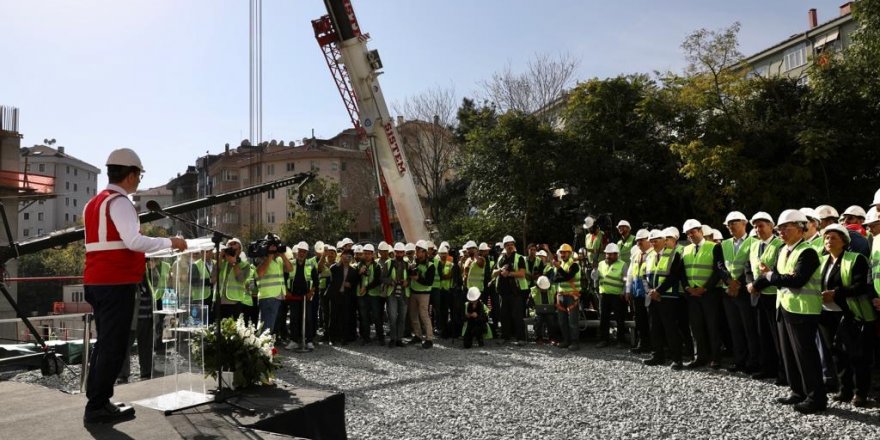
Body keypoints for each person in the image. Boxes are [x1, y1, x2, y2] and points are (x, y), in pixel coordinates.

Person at [83, 148, 187, 424]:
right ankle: (97, 405)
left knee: (105, 344)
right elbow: (134, 241)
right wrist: (170, 243)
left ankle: (98, 398)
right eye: (139, 175)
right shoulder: (120, 203)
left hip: (97, 281)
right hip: (115, 283)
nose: (139, 180)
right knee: (114, 346)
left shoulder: (94, 203)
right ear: (130, 175)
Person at [752, 209, 826, 414]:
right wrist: (769, 278)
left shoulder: (808, 252)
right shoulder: (784, 250)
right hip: (784, 308)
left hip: (803, 311)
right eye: (780, 228)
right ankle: (797, 391)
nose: (781, 231)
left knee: (806, 356)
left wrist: (771, 276)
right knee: (789, 354)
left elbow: (797, 280)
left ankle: (816, 398)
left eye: (786, 227)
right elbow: (778, 276)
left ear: (801, 228)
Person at [818, 224, 874, 407]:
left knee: (856, 355)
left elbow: (861, 286)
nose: (828, 241)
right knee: (836, 353)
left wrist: (835, 293)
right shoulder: (822, 261)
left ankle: (861, 394)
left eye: (833, 237)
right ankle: (845, 390)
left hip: (851, 314)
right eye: (826, 238)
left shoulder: (855, 259)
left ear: (844, 241)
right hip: (827, 315)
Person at [745, 212, 786, 384]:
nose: (757, 229)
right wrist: (749, 283)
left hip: (772, 296)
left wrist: (755, 285)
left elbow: (775, 270)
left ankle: (783, 372)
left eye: (761, 225)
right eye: (755, 226)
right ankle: (767, 368)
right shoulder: (754, 245)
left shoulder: (779, 245)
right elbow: (748, 267)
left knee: (778, 337)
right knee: (764, 335)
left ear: (771, 226)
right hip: (758, 296)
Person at [718, 211, 760, 374]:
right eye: (729, 224)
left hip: (744, 291)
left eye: (734, 222)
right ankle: (740, 360)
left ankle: (753, 360)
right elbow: (720, 265)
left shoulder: (753, 241)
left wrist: (738, 284)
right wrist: (729, 282)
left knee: (749, 328)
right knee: (735, 328)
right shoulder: (724, 243)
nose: (731, 226)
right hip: (729, 291)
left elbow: (751, 265)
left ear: (744, 223)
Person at [680, 219, 724, 370]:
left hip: (710, 294)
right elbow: (682, 272)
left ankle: (715, 358)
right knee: (696, 327)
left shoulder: (714, 247)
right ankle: (700, 357)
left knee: (713, 326)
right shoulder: (685, 250)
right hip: (692, 295)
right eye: (688, 233)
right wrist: (687, 287)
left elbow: (718, 271)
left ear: (701, 231)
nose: (691, 235)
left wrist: (705, 288)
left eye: (693, 231)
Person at [493, 235, 528, 344]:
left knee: (517, 315)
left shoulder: (519, 258)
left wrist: (509, 274)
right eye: (507, 245)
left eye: (511, 245)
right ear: (504, 246)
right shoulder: (500, 258)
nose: (510, 247)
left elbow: (522, 274)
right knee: (504, 315)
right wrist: (500, 270)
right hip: (503, 292)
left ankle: (521, 338)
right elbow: (493, 273)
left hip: (516, 291)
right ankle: (505, 337)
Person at [255, 234, 293, 335]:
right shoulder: (261, 258)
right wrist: (270, 256)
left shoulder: (279, 259)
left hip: (278, 297)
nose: (276, 247)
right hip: (267, 297)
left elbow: (290, 269)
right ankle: (263, 348)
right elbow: (260, 273)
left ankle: (267, 347)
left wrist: (283, 255)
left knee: (271, 328)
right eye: (273, 245)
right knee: (267, 328)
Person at [287, 242, 320, 350]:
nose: (301, 254)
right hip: (294, 296)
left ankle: (309, 341)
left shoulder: (310, 265)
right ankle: (294, 341)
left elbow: (316, 281)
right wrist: (287, 292)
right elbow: (285, 279)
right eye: (300, 251)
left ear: (306, 253)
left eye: (304, 252)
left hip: (307, 296)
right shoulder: (291, 263)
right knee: (294, 318)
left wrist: (311, 292)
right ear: (297, 252)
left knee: (308, 319)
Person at [594, 243, 627, 347]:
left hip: (618, 295)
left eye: (611, 254)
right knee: (604, 318)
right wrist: (594, 272)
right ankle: (604, 340)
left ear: (616, 254)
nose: (608, 256)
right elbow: (596, 277)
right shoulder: (601, 264)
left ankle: (620, 341)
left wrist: (624, 291)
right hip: (604, 295)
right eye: (607, 254)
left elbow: (626, 280)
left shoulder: (622, 264)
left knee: (619, 318)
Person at [212, 238, 253, 321]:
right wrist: (220, 257)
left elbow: (241, 279)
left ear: (240, 251)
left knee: (232, 330)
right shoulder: (222, 263)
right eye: (230, 249)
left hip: (234, 302)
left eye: (235, 249)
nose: (233, 251)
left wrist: (234, 263)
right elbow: (213, 278)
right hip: (219, 301)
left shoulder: (245, 265)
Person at [625, 229, 652, 354]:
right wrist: (628, 290)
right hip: (637, 292)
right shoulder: (636, 255)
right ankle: (643, 344)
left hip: (649, 292)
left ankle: (654, 345)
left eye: (641, 240)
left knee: (651, 320)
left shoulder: (653, 254)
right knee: (640, 320)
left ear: (648, 240)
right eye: (637, 241)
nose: (638, 243)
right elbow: (630, 274)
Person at [553, 244, 581, 351]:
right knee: (562, 320)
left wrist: (560, 271)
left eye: (565, 252)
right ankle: (566, 340)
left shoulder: (574, 265)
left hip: (572, 296)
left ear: (570, 253)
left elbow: (569, 276)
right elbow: (555, 279)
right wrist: (562, 273)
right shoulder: (561, 265)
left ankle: (575, 342)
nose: (562, 254)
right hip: (561, 296)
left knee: (573, 320)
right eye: (561, 252)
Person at [409, 240, 436, 348]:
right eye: (416, 250)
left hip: (424, 294)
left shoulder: (431, 265)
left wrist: (418, 278)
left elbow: (429, 282)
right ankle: (418, 335)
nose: (416, 252)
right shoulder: (414, 263)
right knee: (413, 315)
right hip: (413, 292)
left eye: (418, 250)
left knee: (424, 315)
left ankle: (429, 339)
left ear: (424, 252)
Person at [327, 249, 358, 345]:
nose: (346, 258)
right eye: (345, 255)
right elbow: (330, 281)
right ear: (341, 256)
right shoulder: (334, 268)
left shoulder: (353, 271)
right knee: (333, 316)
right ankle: (332, 338)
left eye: (349, 256)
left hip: (346, 296)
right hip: (335, 295)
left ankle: (344, 338)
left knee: (345, 317)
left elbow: (355, 283)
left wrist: (350, 285)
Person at [357, 243, 385, 346]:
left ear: (373, 254)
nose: (367, 255)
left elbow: (378, 280)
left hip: (374, 295)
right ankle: (366, 337)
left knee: (377, 317)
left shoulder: (377, 266)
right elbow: (355, 279)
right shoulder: (359, 265)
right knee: (364, 317)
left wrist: (366, 287)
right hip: (362, 295)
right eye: (365, 253)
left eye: (369, 253)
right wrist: (359, 273)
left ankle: (380, 337)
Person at [385, 243, 410, 347]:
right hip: (392, 293)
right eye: (397, 252)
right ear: (394, 252)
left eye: (401, 252)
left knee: (402, 317)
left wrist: (407, 282)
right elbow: (382, 278)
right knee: (392, 317)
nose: (399, 254)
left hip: (404, 294)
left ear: (404, 253)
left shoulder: (407, 264)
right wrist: (390, 281)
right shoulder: (388, 263)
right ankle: (392, 339)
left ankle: (399, 339)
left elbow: (411, 278)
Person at [531, 275, 559, 344]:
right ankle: (538, 338)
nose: (544, 290)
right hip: (537, 312)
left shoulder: (553, 289)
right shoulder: (533, 290)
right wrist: (533, 310)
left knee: (551, 320)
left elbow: (556, 301)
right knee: (538, 320)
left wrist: (555, 307)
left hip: (550, 311)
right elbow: (530, 304)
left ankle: (552, 338)